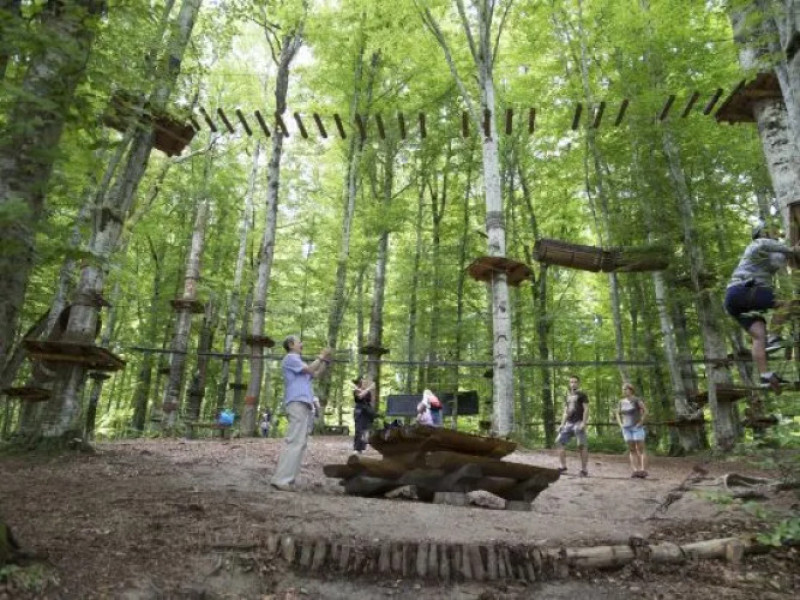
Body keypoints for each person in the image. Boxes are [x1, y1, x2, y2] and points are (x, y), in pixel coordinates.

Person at [724, 222, 799, 390]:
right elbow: (781, 249)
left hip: (734, 298)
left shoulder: (768, 256)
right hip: (745, 290)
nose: (776, 235)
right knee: (787, 304)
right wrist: (792, 249)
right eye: (772, 232)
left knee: (758, 335)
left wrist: (792, 251)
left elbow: (782, 259)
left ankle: (765, 375)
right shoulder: (759, 243)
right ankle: (774, 337)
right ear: (762, 233)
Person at [270, 335, 332, 492]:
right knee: (295, 442)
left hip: (304, 404)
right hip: (297, 402)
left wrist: (325, 361)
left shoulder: (299, 362)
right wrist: (321, 356)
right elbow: (310, 369)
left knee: (300, 443)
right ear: (291, 345)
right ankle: (281, 480)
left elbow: (315, 374)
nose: (302, 344)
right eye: (299, 342)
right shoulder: (290, 358)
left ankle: (288, 479)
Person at [555, 375, 590, 477]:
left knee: (581, 445)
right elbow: (566, 412)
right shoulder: (567, 395)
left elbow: (586, 409)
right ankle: (563, 466)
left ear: (578, 383)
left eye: (575, 382)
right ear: (569, 383)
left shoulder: (582, 395)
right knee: (559, 442)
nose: (573, 384)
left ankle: (584, 470)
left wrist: (584, 423)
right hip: (568, 423)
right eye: (571, 382)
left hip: (579, 422)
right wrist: (562, 424)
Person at [616, 382, 648, 478]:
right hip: (626, 428)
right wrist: (620, 424)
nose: (624, 391)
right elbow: (617, 413)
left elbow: (646, 411)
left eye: (626, 389)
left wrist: (641, 422)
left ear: (631, 390)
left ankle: (643, 470)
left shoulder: (637, 400)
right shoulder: (621, 402)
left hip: (636, 427)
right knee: (631, 449)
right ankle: (635, 470)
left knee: (640, 448)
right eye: (623, 389)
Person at [352, 376, 376, 453]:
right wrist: (369, 388)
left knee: (366, 431)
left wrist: (368, 390)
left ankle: (362, 447)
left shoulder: (367, 392)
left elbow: (369, 400)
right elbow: (360, 397)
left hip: (367, 412)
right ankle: (356, 448)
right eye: (362, 381)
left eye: (364, 381)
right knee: (359, 430)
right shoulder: (356, 390)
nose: (363, 383)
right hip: (359, 412)